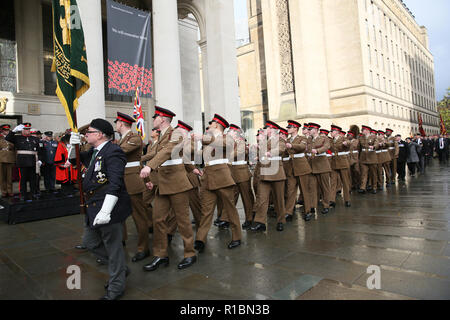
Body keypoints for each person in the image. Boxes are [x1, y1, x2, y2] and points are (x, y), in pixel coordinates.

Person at [69, 118, 131, 300]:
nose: (86, 135)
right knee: (90, 243)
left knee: (114, 248)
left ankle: (116, 287)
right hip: (93, 205)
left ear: (100, 134)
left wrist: (106, 211)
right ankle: (121, 269)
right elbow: (75, 161)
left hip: (107, 206)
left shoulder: (114, 152)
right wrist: (74, 147)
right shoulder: (94, 151)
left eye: (89, 132)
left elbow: (115, 183)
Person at [140, 107, 197, 271]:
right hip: (163, 183)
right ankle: (160, 255)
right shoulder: (161, 136)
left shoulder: (176, 133)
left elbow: (167, 152)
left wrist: (149, 167)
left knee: (183, 220)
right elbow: (154, 154)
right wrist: (141, 160)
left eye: (156, 117)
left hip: (177, 183)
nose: (154, 119)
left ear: (163, 118)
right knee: (158, 219)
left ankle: (189, 253)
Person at [193, 114, 243, 249]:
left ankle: (237, 236)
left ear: (217, 125)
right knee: (206, 211)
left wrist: (203, 138)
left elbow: (224, 144)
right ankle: (200, 239)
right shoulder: (207, 141)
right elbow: (199, 156)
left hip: (222, 178)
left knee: (230, 209)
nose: (208, 126)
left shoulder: (227, 138)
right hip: (208, 178)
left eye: (211, 123)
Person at [115, 112, 150, 263]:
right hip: (121, 180)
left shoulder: (134, 138)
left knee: (139, 216)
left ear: (121, 123)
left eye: (116, 122)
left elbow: (119, 153)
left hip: (132, 181)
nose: (115, 125)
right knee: (119, 214)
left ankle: (143, 248)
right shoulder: (120, 140)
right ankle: (121, 240)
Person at [285, 120, 315, 221]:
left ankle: (307, 211)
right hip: (291, 167)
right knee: (290, 191)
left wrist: (292, 146)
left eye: (290, 127)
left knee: (304, 190)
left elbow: (302, 147)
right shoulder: (288, 140)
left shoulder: (302, 138)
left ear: (295, 128)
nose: (288, 129)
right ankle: (289, 212)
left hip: (301, 167)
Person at [6, 123, 41, 201]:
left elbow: (39, 150)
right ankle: (23, 194)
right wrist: (13, 131)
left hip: (33, 161)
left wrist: (40, 160)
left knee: (33, 179)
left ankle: (33, 193)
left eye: (28, 129)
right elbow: (7, 138)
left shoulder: (34, 139)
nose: (27, 131)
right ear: (22, 130)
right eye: (26, 129)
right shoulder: (17, 138)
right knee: (23, 179)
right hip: (23, 162)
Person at [329, 125, 351, 207]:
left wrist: (346, 143)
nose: (331, 133)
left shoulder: (343, 138)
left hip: (342, 161)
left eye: (332, 131)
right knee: (333, 182)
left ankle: (347, 199)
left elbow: (349, 142)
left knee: (345, 181)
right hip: (334, 162)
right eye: (331, 131)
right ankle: (332, 200)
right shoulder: (331, 140)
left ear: (337, 132)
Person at [358, 126, 379, 194]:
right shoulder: (361, 137)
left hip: (371, 156)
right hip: (363, 157)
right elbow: (359, 147)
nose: (362, 131)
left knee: (373, 173)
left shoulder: (374, 137)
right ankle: (363, 187)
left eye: (363, 130)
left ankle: (374, 187)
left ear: (367, 130)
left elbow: (377, 144)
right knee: (363, 173)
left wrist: (374, 147)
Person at [0, 124, 15, 197]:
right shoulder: (0, 137)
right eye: (5, 130)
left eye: (8, 130)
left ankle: (10, 190)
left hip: (10, 158)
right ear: (2, 130)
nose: (7, 131)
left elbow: (15, 149)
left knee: (9, 176)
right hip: (1, 158)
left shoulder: (12, 138)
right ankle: (3, 191)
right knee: (2, 176)